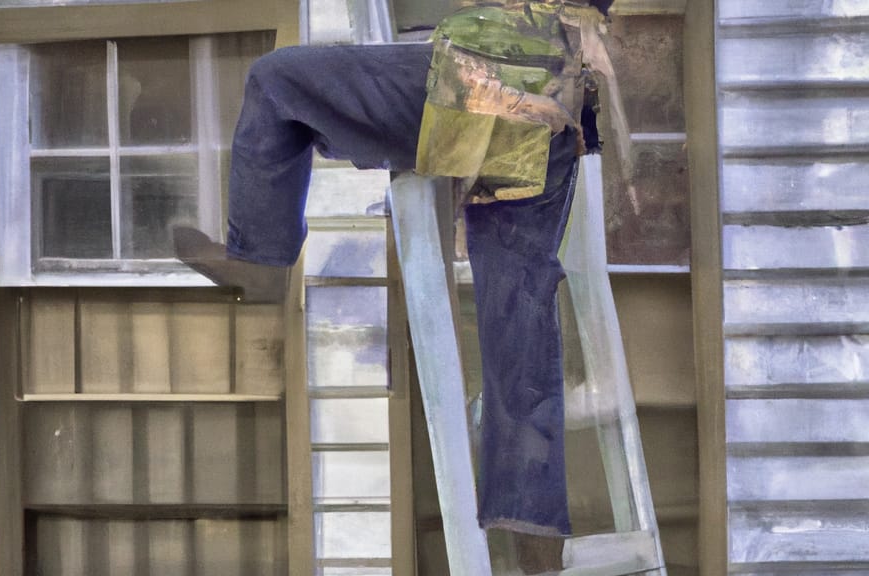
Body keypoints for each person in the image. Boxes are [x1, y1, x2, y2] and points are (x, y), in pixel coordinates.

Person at [176, 0, 623, 570]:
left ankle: (260, 260)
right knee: (519, 325)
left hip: (497, 69)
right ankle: (535, 543)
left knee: (276, 80)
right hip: (559, 100)